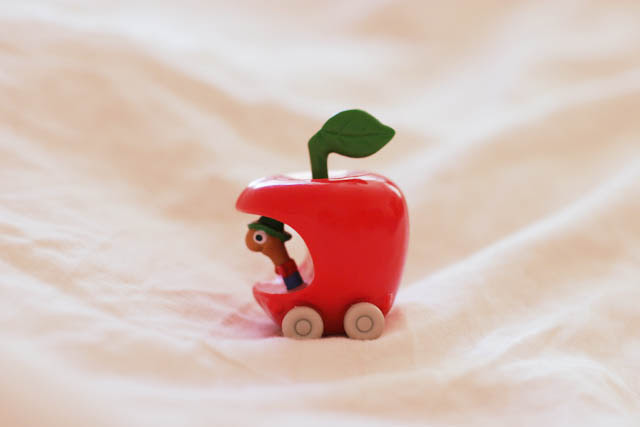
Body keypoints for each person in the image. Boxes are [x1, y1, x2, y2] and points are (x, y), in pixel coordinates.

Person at [245, 216, 304, 291]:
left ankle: (295, 287)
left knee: (293, 282)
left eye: (259, 237)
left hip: (288, 272)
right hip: (285, 269)